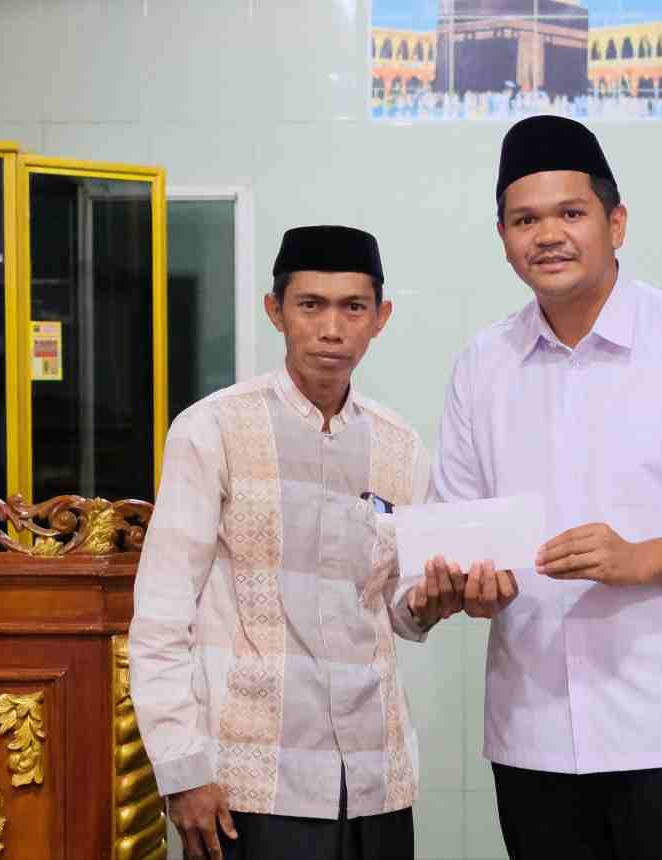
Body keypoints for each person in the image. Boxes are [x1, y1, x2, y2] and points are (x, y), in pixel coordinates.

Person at [434, 115, 662, 859]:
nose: (548, 236)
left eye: (571, 213)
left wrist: (642, 558)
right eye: (525, 220)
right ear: (502, 237)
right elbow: (457, 522)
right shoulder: (483, 364)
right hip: (532, 733)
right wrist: (469, 587)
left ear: (616, 222)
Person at [129, 225, 484, 860]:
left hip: (375, 776)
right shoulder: (213, 429)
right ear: (276, 311)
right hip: (250, 778)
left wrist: (435, 599)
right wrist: (182, 771)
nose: (332, 329)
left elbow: (399, 607)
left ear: (380, 318)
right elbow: (160, 616)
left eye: (354, 307)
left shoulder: (399, 445)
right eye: (311, 305)